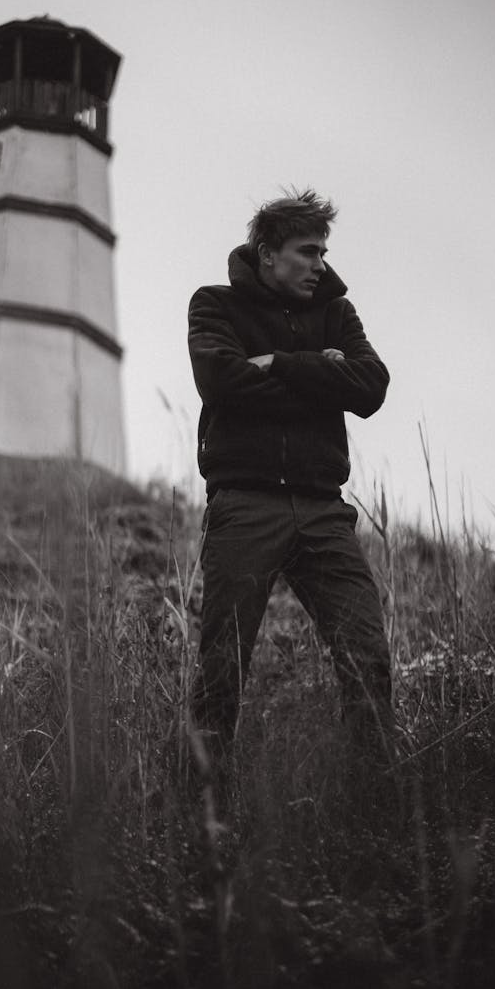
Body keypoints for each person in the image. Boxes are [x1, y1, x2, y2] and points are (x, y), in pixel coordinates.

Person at [187, 188, 392, 766]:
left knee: (367, 655)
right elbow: (222, 382)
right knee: (223, 666)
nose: (321, 264)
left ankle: (372, 801)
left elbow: (371, 388)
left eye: (324, 252)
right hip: (244, 505)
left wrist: (279, 364)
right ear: (268, 253)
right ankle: (204, 803)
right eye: (308, 251)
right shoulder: (214, 305)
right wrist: (323, 375)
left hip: (325, 509)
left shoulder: (337, 313)